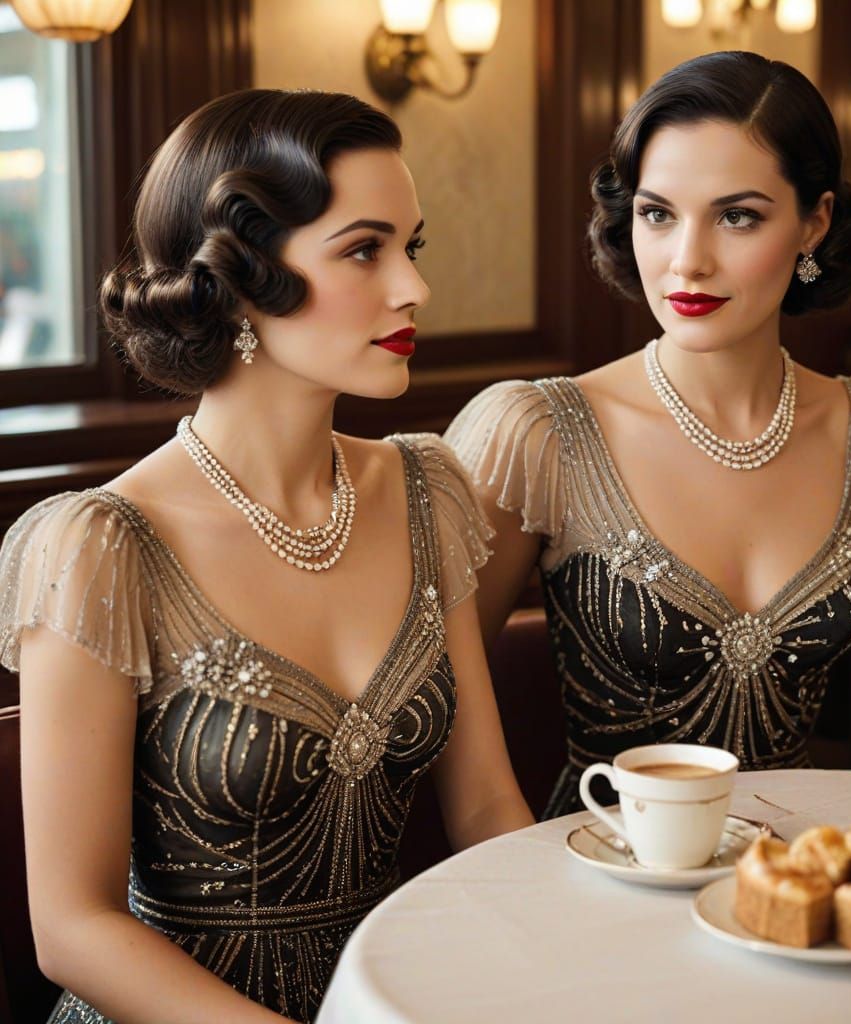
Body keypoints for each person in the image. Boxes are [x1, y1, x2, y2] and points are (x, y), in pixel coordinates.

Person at [0, 89, 532, 1024]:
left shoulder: (425, 490)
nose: (413, 288)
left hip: (390, 999)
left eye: (411, 247)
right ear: (240, 279)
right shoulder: (96, 547)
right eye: (364, 249)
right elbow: (72, 928)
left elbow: (487, 810)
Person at [446, 51, 851, 819]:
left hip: (794, 875)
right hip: (596, 873)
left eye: (737, 215)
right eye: (658, 213)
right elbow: (439, 699)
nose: (687, 260)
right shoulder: (540, 433)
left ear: (813, 223)